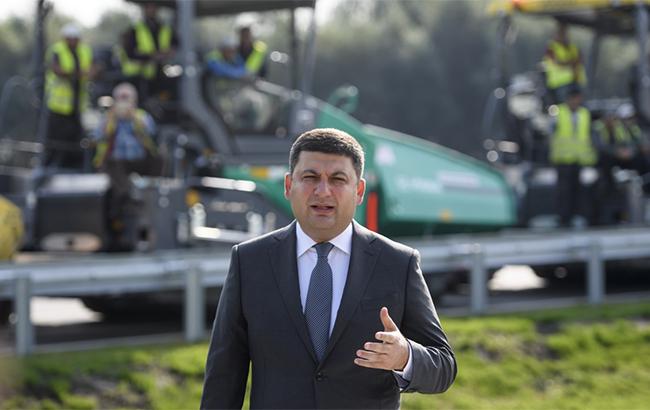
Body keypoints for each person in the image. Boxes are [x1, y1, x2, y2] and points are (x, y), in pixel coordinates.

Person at [200, 128, 456, 409]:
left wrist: (405, 356)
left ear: (359, 191)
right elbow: (223, 378)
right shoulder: (250, 261)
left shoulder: (397, 263)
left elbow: (443, 366)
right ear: (289, 185)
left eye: (337, 179)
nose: (322, 191)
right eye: (310, 177)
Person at [93, 83, 159, 250]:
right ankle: (125, 201)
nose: (123, 102)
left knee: (159, 161)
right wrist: (111, 117)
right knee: (114, 170)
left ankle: (130, 198)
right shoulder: (109, 118)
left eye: (126, 98)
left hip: (138, 162)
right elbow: (97, 136)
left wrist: (133, 116)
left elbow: (151, 132)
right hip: (115, 164)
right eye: (120, 99)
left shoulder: (141, 116)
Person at [43, 23, 95, 169]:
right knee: (55, 139)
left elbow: (93, 68)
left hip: (77, 106)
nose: (73, 41)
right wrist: (78, 74)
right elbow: (57, 70)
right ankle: (50, 166)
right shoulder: (57, 50)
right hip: (58, 106)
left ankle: (72, 166)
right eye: (70, 38)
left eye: (75, 38)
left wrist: (91, 72)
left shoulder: (85, 50)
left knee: (75, 138)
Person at [549, 86, 597, 227]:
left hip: (580, 158)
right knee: (563, 190)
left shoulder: (584, 114)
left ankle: (578, 216)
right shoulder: (558, 112)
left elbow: (588, 136)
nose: (576, 101)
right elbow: (550, 133)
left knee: (579, 190)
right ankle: (563, 218)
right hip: (562, 158)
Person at [118, 2, 177, 100]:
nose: (151, 10)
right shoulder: (135, 30)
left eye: (154, 7)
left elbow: (176, 45)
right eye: (149, 7)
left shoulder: (165, 29)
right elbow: (130, 53)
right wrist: (152, 56)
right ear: (144, 9)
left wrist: (169, 52)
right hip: (139, 77)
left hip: (161, 73)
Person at [542, 22, 587, 104]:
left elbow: (581, 60)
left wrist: (568, 62)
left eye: (565, 32)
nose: (563, 35)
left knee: (580, 108)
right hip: (560, 84)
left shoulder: (573, 47)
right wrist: (572, 62)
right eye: (560, 32)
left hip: (577, 82)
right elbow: (558, 63)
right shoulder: (551, 48)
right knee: (565, 107)